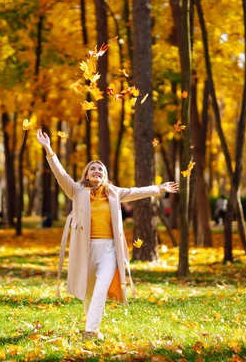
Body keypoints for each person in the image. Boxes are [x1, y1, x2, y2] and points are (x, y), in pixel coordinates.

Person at [36, 129, 179, 340]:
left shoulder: (114, 192)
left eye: (100, 169)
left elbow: (136, 191)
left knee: (101, 289)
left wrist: (158, 188)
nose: (96, 171)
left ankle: (90, 331)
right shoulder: (76, 190)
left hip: (110, 249)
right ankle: (94, 322)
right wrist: (49, 149)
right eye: (92, 168)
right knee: (88, 293)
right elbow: (60, 174)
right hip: (85, 248)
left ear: (105, 176)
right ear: (86, 174)